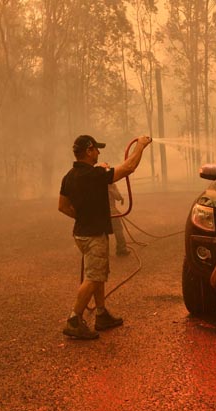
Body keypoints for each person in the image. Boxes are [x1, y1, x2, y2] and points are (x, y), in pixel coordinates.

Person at [58, 134, 152, 340]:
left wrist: (83, 216)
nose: (99, 153)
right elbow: (128, 168)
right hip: (94, 236)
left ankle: (101, 314)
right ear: (89, 150)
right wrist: (142, 146)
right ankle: (74, 320)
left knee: (98, 274)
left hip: (81, 234)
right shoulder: (95, 174)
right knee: (93, 277)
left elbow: (62, 206)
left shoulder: (69, 176)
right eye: (96, 149)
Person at [108, 183, 129, 256]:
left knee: (102, 232)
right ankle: (121, 249)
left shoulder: (94, 183)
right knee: (118, 229)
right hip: (112, 211)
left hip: (100, 213)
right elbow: (118, 197)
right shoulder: (111, 184)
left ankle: (101, 251)